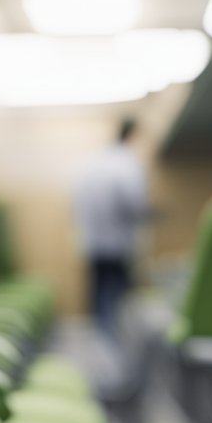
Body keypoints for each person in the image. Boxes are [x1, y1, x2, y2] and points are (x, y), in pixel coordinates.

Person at [75, 118, 150, 342]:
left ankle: (103, 346)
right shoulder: (126, 164)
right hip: (118, 244)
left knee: (99, 296)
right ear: (133, 135)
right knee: (118, 300)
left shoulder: (94, 163)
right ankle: (115, 350)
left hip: (93, 241)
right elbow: (134, 205)